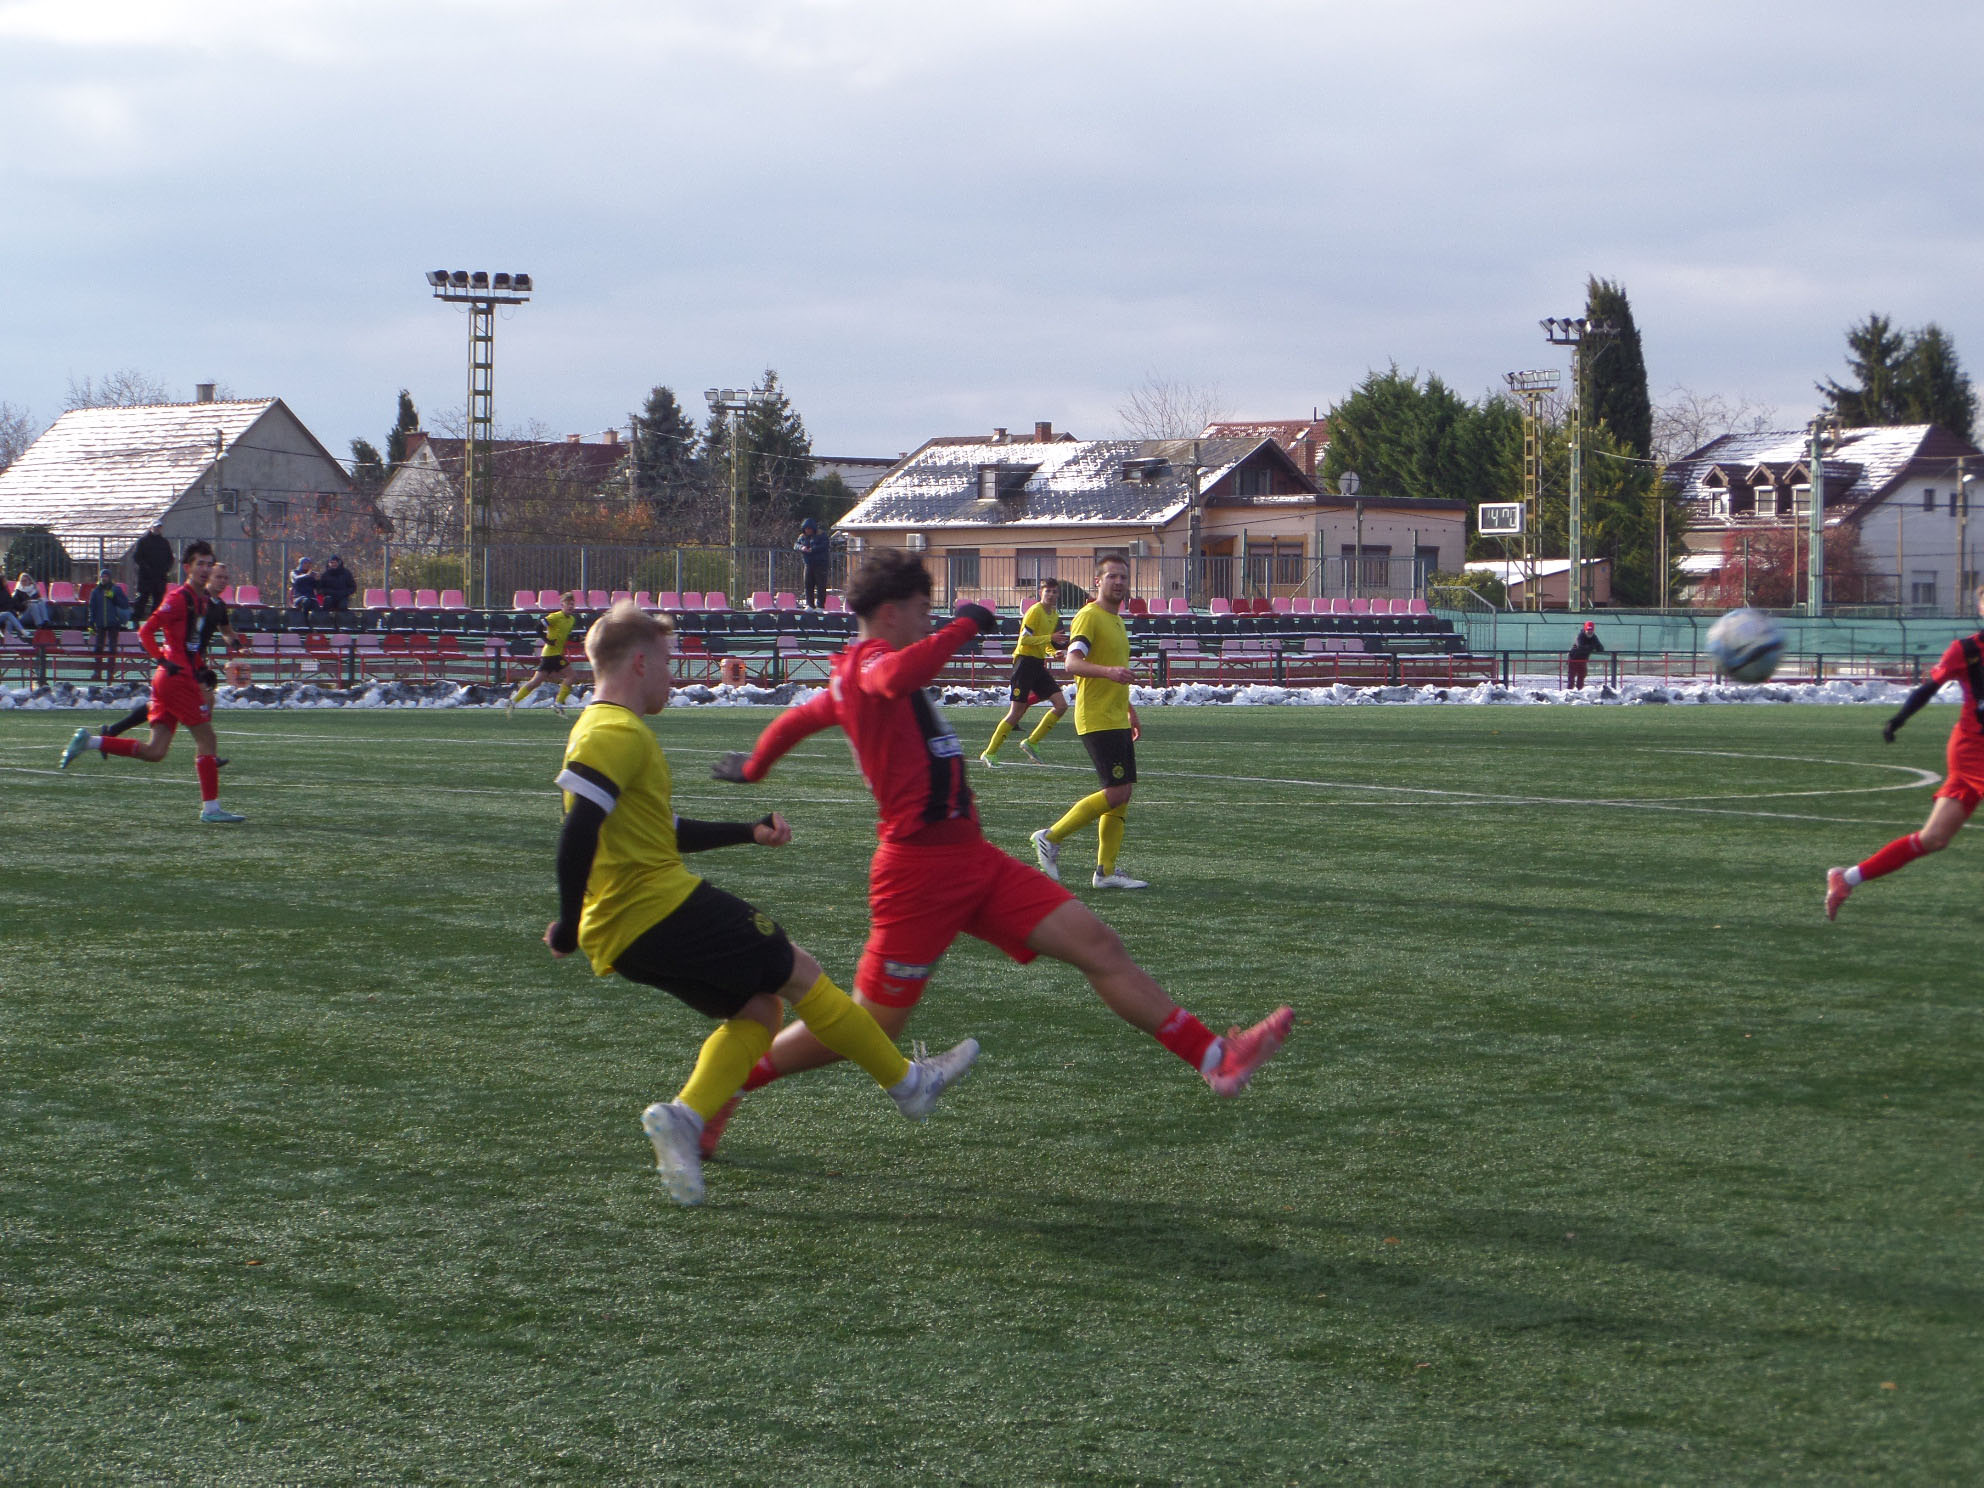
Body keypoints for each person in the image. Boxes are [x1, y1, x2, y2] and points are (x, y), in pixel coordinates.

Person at [700, 547, 1293, 1158]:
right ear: (890, 612)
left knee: (1100, 946)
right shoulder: (872, 666)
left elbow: (801, 720)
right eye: (923, 610)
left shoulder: (857, 674)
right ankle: (720, 1090)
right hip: (917, 876)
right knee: (868, 1027)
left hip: (973, 860)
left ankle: (1214, 1057)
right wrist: (965, 624)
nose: (929, 622)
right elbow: (889, 679)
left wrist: (755, 766)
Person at [544, 600, 978, 1205]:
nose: (672, 674)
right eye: (666, 661)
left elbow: (661, 832)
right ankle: (908, 1084)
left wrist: (747, 831)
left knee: (758, 1011)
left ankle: (686, 1118)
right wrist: (567, 922)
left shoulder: (610, 731)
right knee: (800, 972)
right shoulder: (613, 730)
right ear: (639, 664)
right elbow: (577, 831)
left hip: (626, 933)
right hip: (654, 908)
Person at [58, 540, 244, 822]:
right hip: (175, 679)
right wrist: (163, 660)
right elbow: (146, 631)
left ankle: (91, 742)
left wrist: (200, 667)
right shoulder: (178, 598)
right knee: (207, 738)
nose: (206, 570)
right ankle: (211, 809)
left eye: (209, 564)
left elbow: (188, 643)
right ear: (187, 568)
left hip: (178, 675)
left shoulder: (202, 601)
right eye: (201, 564)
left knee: (155, 752)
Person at [1827, 585, 1984, 919]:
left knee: (1933, 839)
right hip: (1973, 749)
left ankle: (1846, 878)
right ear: (1981, 609)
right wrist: (1899, 719)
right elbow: (1928, 689)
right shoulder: (1966, 650)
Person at [1030, 553, 1147, 889]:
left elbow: (1115, 670)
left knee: (1122, 794)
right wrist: (1109, 672)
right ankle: (1051, 837)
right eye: (1112, 576)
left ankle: (1106, 872)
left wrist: (1129, 710)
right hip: (1097, 717)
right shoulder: (1089, 616)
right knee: (1116, 791)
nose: (1119, 582)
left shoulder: (1116, 620)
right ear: (1098, 581)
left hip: (1115, 716)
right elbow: (1072, 663)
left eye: (1123, 577)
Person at [980, 576, 1070, 766]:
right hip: (1024, 663)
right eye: (1048, 591)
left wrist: (1052, 652)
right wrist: (1050, 638)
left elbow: (1044, 641)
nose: (1051, 594)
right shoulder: (1035, 611)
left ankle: (1031, 742)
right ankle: (989, 753)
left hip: (1037, 664)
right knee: (1016, 712)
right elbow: (1025, 640)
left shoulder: (1054, 615)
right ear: (1040, 593)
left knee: (1061, 705)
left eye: (1054, 591)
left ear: (1058, 594)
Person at [507, 592, 580, 716]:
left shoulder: (571, 620)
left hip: (555, 654)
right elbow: (538, 627)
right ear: (562, 605)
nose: (571, 606)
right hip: (551, 655)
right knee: (571, 676)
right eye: (568, 604)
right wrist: (547, 640)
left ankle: (513, 701)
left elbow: (564, 635)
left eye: (572, 604)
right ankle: (558, 703)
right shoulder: (555, 617)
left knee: (536, 682)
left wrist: (575, 639)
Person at [85, 568, 131, 681]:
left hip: (113, 623)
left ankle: (110, 673)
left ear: (109, 578)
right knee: (98, 648)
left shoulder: (116, 589)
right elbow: (92, 608)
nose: (103, 578)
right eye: (102, 576)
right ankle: (97, 672)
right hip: (100, 623)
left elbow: (125, 604)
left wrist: (114, 597)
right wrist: (91, 623)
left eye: (105, 576)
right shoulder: (96, 591)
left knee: (112, 649)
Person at [132, 524, 174, 620]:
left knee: (158, 600)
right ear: (151, 527)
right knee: (142, 599)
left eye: (159, 527)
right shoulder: (143, 541)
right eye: (155, 527)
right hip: (145, 577)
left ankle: (154, 621)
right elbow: (137, 557)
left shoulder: (164, 542)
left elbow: (170, 558)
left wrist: (166, 569)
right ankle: (135, 621)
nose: (157, 529)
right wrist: (146, 568)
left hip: (160, 577)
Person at [794, 517, 832, 609]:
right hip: (808, 564)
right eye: (806, 529)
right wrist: (801, 548)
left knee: (821, 586)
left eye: (809, 529)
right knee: (808, 585)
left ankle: (820, 606)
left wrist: (813, 549)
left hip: (820, 564)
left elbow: (825, 545)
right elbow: (796, 545)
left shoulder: (821, 535)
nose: (808, 531)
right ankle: (810, 605)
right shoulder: (802, 537)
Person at [1566, 620, 1605, 689]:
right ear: (1585, 629)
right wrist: (1592, 647)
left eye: (1591, 630)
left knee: (1581, 676)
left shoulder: (1594, 637)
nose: (1590, 632)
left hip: (1583, 660)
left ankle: (1580, 691)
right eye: (1588, 630)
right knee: (1571, 677)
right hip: (1573, 659)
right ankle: (1569, 691)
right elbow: (1580, 646)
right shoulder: (1580, 636)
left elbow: (1601, 648)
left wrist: (1590, 647)